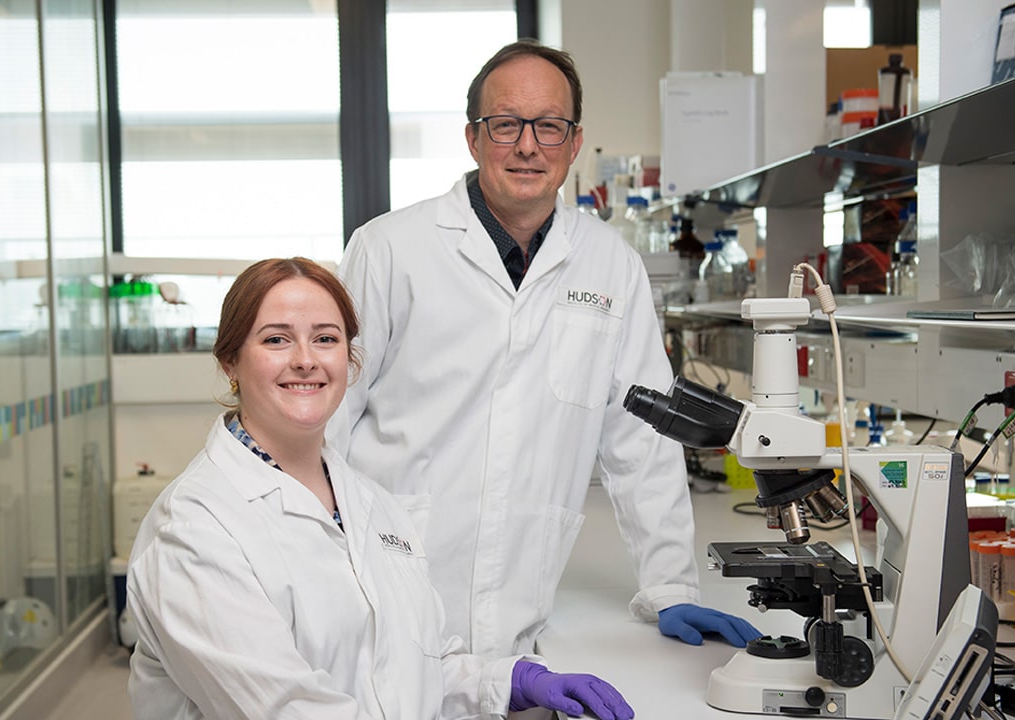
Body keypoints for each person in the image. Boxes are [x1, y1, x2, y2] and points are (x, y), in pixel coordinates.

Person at [328, 40, 761, 660]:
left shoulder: (611, 264)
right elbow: (328, 417)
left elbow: (642, 435)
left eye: (549, 126)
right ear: (474, 139)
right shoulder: (389, 249)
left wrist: (669, 582)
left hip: (520, 602)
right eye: (505, 125)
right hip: (387, 582)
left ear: (574, 142)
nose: (527, 146)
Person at [126, 257, 635, 720]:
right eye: (276, 339)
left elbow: (415, 668)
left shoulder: (372, 504)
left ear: (350, 361)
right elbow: (287, 711)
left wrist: (509, 682)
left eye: (325, 339)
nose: (306, 360)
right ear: (230, 363)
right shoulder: (195, 531)